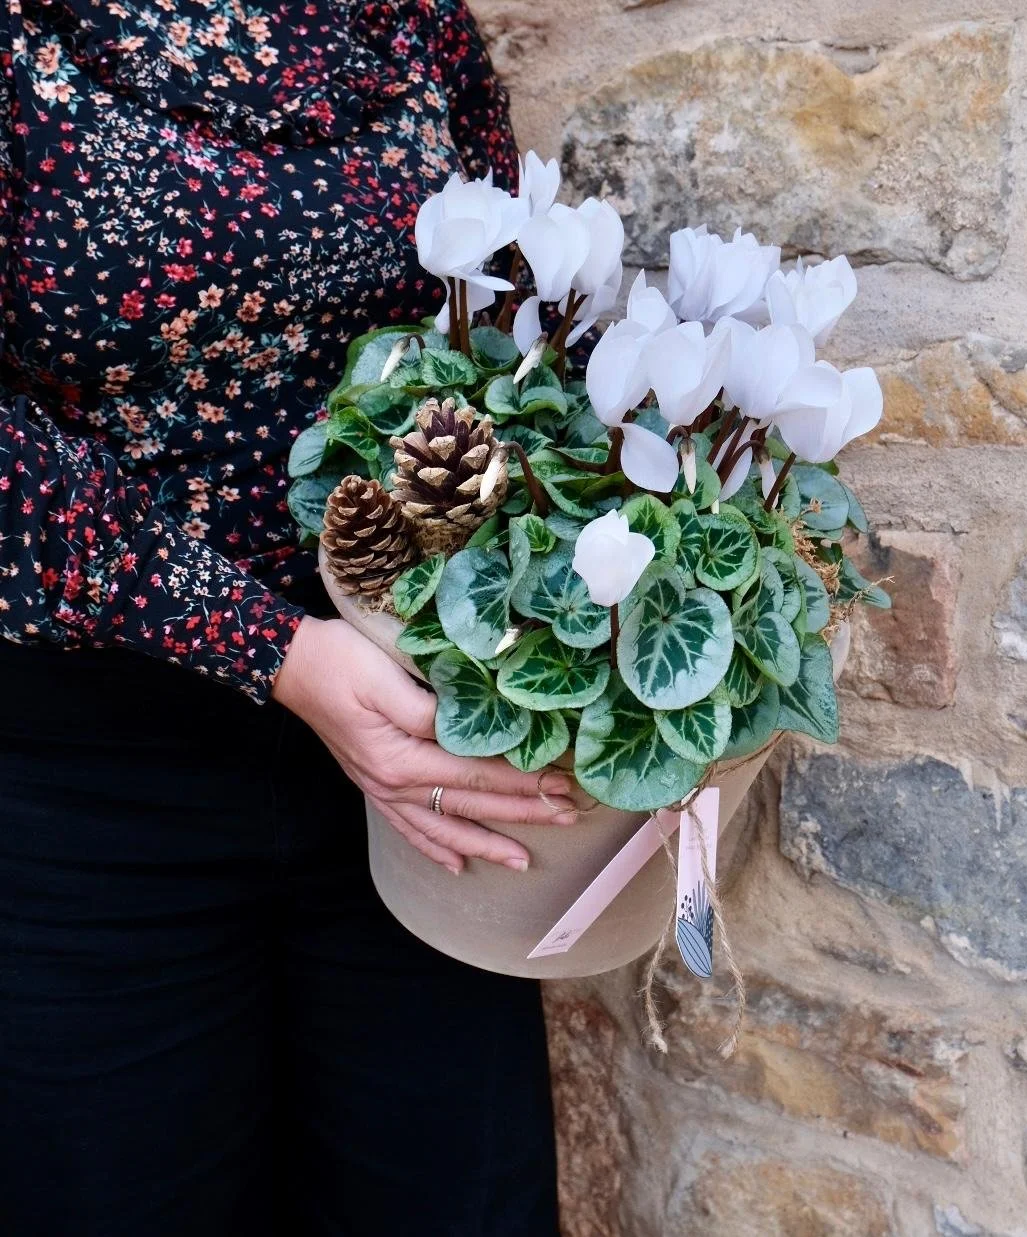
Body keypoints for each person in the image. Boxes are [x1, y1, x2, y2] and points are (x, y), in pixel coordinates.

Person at [0, 2, 573, 1232]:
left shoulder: (405, 20)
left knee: (457, 1199)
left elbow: (507, 317)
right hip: (83, 785)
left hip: (407, 748)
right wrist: (273, 653)